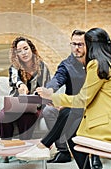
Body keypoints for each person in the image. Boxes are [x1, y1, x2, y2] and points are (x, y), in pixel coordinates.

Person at [16, 28, 111, 169]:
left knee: (70, 119)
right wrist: (52, 94)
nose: (78, 48)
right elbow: (60, 80)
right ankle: (45, 146)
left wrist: (52, 97)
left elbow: (83, 100)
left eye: (83, 44)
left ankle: (43, 145)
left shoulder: (97, 65)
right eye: (74, 44)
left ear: (90, 45)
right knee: (70, 119)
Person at [0, 36, 51, 162]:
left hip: (35, 105)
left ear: (31, 49)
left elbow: (46, 88)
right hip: (15, 104)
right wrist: (20, 85)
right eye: (19, 51)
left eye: (25, 49)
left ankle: (24, 151)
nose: (23, 53)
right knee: (1, 118)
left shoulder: (42, 67)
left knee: (27, 118)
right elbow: (15, 79)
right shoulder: (14, 67)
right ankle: (6, 151)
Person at [41, 29, 86, 163]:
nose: (76, 48)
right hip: (70, 105)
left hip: (89, 105)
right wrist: (50, 90)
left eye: (80, 44)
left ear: (87, 45)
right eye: (73, 44)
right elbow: (58, 78)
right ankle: (63, 151)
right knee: (49, 110)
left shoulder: (94, 63)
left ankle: (94, 156)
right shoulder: (67, 64)